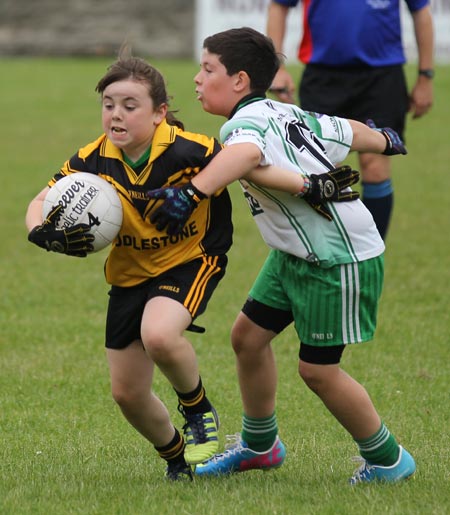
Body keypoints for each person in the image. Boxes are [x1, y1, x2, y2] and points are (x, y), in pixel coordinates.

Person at [147, 27, 416, 484]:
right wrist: (383, 139)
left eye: (207, 68)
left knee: (318, 371)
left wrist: (193, 193)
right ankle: (260, 446)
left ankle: (390, 460)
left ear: (239, 80)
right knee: (247, 338)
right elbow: (342, 128)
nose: (196, 78)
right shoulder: (284, 111)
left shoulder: (243, 125)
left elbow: (247, 152)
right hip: (294, 255)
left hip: (336, 257)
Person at [25, 50, 234, 481]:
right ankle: (177, 458)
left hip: (190, 260)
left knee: (158, 334)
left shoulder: (190, 150)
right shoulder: (92, 160)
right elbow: (40, 201)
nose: (115, 115)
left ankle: (198, 410)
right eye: (108, 105)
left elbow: (245, 160)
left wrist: (305, 186)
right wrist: (40, 231)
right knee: (127, 393)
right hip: (129, 275)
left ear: (159, 113)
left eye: (129, 106)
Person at [266, 0, 434, 240]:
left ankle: (371, 255)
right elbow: (278, 7)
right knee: (324, 173)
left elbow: (421, 11)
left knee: (375, 166)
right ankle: (334, 257)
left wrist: (425, 76)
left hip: (382, 76)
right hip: (323, 76)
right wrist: (277, 68)